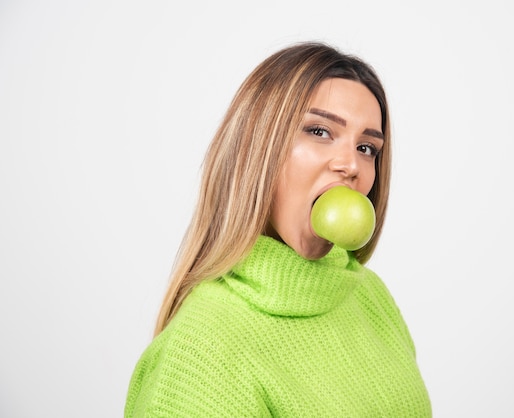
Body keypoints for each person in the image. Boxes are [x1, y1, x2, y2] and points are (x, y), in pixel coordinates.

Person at [125, 41, 431, 417]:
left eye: (367, 148)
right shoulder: (202, 352)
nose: (351, 164)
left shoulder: (368, 294)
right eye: (319, 131)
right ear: (258, 149)